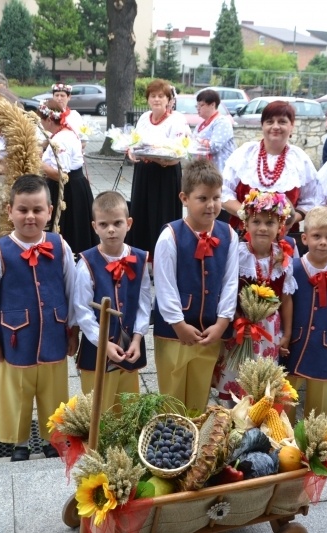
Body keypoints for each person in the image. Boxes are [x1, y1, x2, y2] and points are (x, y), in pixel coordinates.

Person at [0, 175, 79, 461]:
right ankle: (18, 441)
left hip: (55, 337)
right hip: (15, 339)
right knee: (16, 394)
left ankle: (53, 438)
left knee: (55, 393)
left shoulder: (60, 246)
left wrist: (74, 329)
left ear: (50, 211)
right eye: (23, 210)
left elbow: (73, 291)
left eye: (37, 210)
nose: (30, 216)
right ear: (10, 211)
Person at [153, 159, 239, 412]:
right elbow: (164, 285)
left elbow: (230, 281)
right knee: (172, 391)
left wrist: (223, 322)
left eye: (216, 197)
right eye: (202, 198)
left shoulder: (229, 235)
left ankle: (196, 438)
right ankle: (169, 438)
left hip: (210, 330)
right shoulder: (170, 236)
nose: (211, 205)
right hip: (174, 333)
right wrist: (178, 324)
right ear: (184, 198)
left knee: (200, 394)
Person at [213, 190, 295, 405]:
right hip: (240, 327)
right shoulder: (238, 253)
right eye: (256, 221)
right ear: (245, 224)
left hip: (268, 329)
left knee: (262, 378)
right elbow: (228, 290)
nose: (262, 228)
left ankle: (257, 415)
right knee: (235, 372)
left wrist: (287, 333)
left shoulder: (282, 258)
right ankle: (230, 412)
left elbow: (285, 299)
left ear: (280, 227)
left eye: (270, 223)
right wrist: (237, 318)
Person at [73, 191, 152, 414]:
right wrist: (104, 344)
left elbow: (144, 302)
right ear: (94, 226)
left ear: (128, 223)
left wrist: (137, 338)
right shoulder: (86, 263)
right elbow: (83, 311)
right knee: (98, 411)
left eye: (117, 223)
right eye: (103, 224)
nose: (111, 229)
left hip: (129, 348)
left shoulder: (139, 259)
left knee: (128, 409)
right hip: (97, 350)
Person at [284, 206, 327, 423]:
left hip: (326, 346)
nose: (323, 242)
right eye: (316, 236)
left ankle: (316, 442)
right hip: (295, 343)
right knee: (286, 398)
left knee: (320, 406)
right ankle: (285, 440)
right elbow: (284, 304)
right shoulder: (292, 268)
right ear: (304, 238)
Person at [222, 100, 322, 240]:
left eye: (282, 121)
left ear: (291, 126)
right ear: (262, 125)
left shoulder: (300, 159)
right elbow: (224, 193)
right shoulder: (245, 154)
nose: (275, 126)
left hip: (283, 239)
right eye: (270, 121)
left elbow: (312, 200)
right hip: (243, 237)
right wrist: (249, 218)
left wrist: (288, 221)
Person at [126, 79, 191, 258]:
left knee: (162, 215)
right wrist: (131, 152)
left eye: (161, 96)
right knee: (140, 213)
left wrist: (162, 158)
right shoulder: (143, 118)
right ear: (148, 99)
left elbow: (179, 151)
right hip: (144, 173)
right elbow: (134, 143)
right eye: (153, 96)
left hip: (165, 173)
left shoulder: (176, 120)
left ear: (169, 99)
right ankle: (141, 256)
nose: (156, 99)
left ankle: (162, 258)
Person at [39, 100, 98, 255]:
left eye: (41, 120)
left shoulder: (61, 139)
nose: (41, 123)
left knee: (69, 228)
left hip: (68, 191)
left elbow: (61, 175)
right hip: (74, 186)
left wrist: (39, 163)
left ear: (49, 120)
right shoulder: (64, 132)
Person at [192, 89, 236, 173]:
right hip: (205, 171)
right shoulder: (201, 124)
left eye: (201, 105)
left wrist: (197, 142)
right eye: (197, 105)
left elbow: (214, 146)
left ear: (212, 104)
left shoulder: (222, 121)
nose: (198, 108)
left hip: (220, 170)